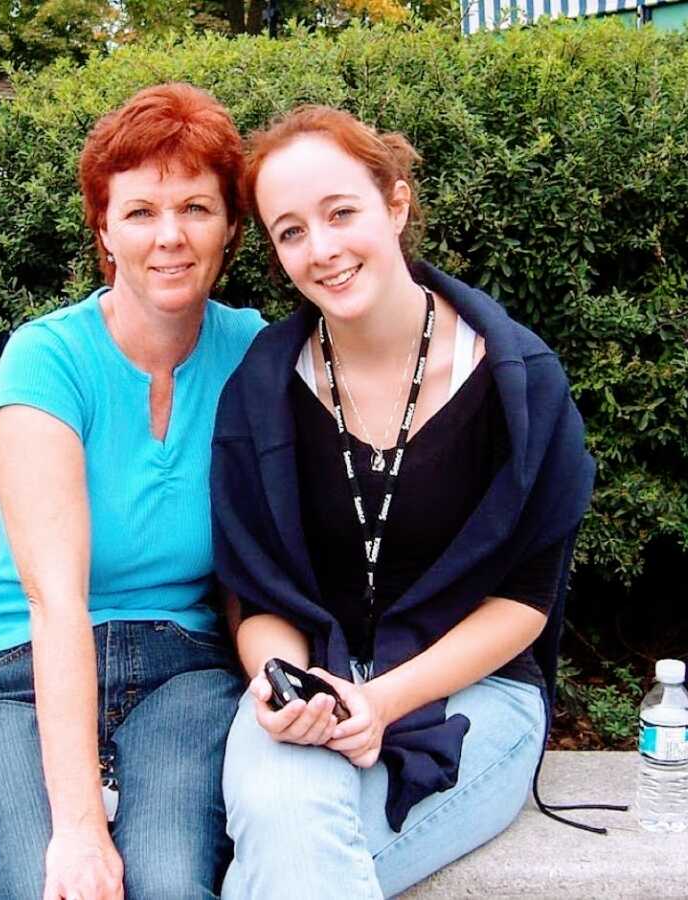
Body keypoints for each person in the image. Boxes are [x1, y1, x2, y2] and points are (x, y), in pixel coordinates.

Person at [211, 106, 601, 899]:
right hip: (312, 689)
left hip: (471, 697)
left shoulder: (517, 381)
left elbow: (526, 600)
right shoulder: (263, 387)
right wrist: (283, 684)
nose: (321, 250)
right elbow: (256, 595)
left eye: (341, 213)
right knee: (289, 818)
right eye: (290, 232)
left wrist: (384, 700)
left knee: (278, 871)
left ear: (394, 204)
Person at [0, 83, 264, 900]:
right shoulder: (46, 359)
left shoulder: (253, 353)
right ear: (104, 231)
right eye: (140, 213)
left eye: (196, 208)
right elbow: (56, 602)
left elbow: (260, 563)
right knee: (53, 886)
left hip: (183, 675)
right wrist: (80, 828)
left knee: (170, 883)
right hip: (21, 672)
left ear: (231, 226)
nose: (170, 238)